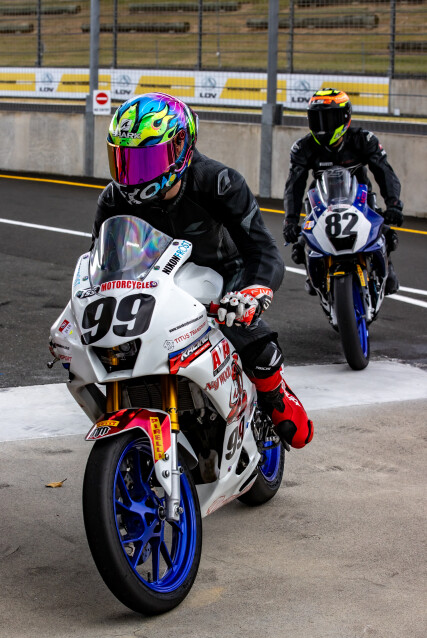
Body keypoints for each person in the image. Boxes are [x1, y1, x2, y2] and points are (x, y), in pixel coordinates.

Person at [92, 92, 313, 450]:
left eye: (146, 161)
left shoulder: (219, 182)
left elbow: (262, 249)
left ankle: (275, 394)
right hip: (155, 284)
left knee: (250, 342)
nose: (133, 175)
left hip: (223, 278)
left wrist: (254, 292)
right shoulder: (113, 199)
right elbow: (100, 263)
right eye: (125, 161)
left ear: (180, 147)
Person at [282, 88, 403, 295]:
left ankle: (387, 264)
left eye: (329, 118)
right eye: (317, 119)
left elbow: (384, 172)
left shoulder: (363, 139)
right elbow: (294, 185)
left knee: (387, 234)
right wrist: (290, 221)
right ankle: (313, 272)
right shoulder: (303, 147)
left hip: (361, 199)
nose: (323, 126)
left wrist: (393, 204)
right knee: (298, 247)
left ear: (345, 117)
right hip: (322, 201)